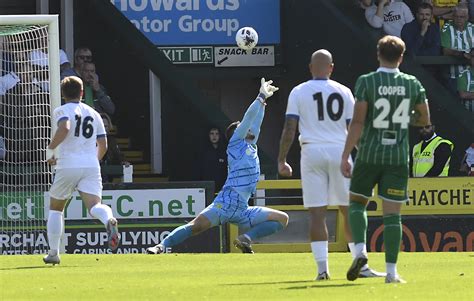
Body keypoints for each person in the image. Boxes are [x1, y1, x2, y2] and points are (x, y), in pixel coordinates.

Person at [146, 78, 288, 255]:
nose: (250, 129)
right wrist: (259, 96)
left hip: (242, 209)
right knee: (195, 226)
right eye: (246, 128)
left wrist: (264, 100)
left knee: (282, 219)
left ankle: (246, 239)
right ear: (239, 132)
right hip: (225, 204)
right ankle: (160, 246)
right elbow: (249, 118)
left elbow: (256, 121)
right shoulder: (236, 143)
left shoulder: (251, 145)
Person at [277, 49, 384, 281]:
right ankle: (361, 260)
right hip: (340, 151)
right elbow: (355, 126)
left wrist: (282, 159)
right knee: (350, 210)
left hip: (311, 151)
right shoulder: (343, 91)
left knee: (317, 214)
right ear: (331, 68)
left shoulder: (299, 91)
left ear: (310, 67)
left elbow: (289, 128)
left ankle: (322, 270)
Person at [340, 35, 431, 283]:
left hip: (369, 153)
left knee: (357, 204)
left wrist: (346, 154)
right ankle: (391, 273)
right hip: (398, 157)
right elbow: (424, 119)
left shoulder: (367, 81)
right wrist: (403, 118)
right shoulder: (412, 84)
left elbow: (358, 122)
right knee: (393, 215)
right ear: (401, 57)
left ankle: (360, 253)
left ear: (378, 54)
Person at [43, 76, 120, 265]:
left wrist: (50, 150)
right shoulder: (93, 113)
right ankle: (109, 219)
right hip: (91, 164)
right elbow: (103, 143)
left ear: (62, 93)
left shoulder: (61, 110)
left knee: (56, 209)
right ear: (82, 93)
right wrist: (93, 161)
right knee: (94, 207)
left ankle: (53, 252)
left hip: (67, 164)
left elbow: (65, 127)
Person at [440, 5, 474, 93]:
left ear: (467, 17)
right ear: (452, 16)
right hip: (455, 76)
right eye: (456, 16)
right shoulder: (447, 28)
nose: (459, 19)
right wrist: (462, 54)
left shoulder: (473, 29)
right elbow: (446, 51)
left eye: (462, 17)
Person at [196, 127, 228, 193]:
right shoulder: (203, 152)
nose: (214, 136)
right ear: (208, 135)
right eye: (212, 133)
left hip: (222, 188)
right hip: (206, 188)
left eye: (217, 134)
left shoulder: (224, 151)